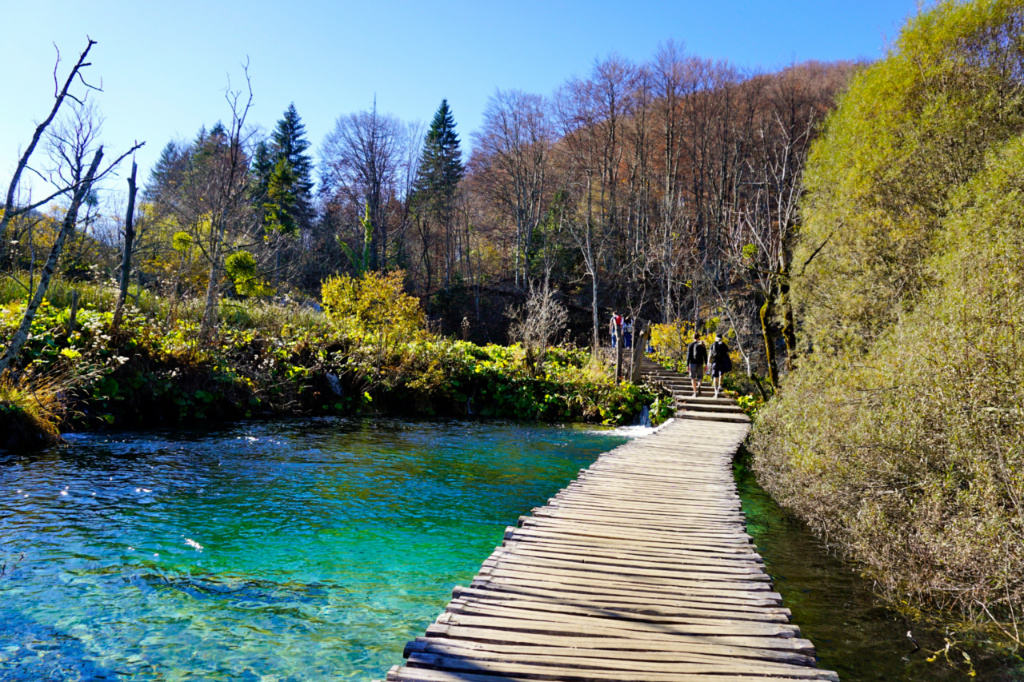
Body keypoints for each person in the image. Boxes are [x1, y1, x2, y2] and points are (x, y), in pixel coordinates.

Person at [708, 332, 732, 398]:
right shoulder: (724, 345)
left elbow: (710, 354)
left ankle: (716, 391)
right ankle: (720, 386)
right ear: (721, 338)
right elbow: (727, 354)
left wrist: (709, 362)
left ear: (716, 338)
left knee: (715, 377)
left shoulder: (713, 345)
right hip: (722, 362)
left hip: (715, 362)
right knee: (721, 374)